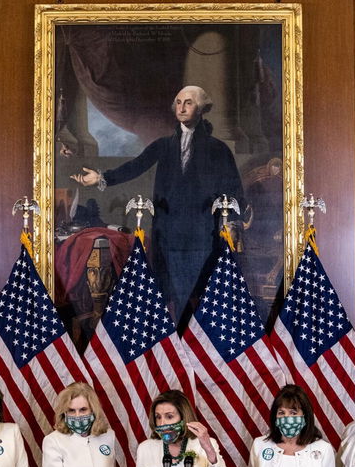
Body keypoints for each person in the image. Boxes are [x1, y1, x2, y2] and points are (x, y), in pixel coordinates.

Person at [72, 85, 244, 315]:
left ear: (201, 108)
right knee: (169, 297)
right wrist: (101, 178)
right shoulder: (164, 145)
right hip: (168, 233)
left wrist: (232, 223)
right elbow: (135, 166)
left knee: (199, 298)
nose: (182, 108)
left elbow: (233, 189)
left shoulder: (218, 149)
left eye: (189, 102)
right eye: (179, 102)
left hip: (202, 234)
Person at [134, 389, 232, 467]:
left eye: (169, 416)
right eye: (158, 417)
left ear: (184, 418)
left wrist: (209, 450)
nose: (162, 423)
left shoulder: (203, 446)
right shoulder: (145, 448)